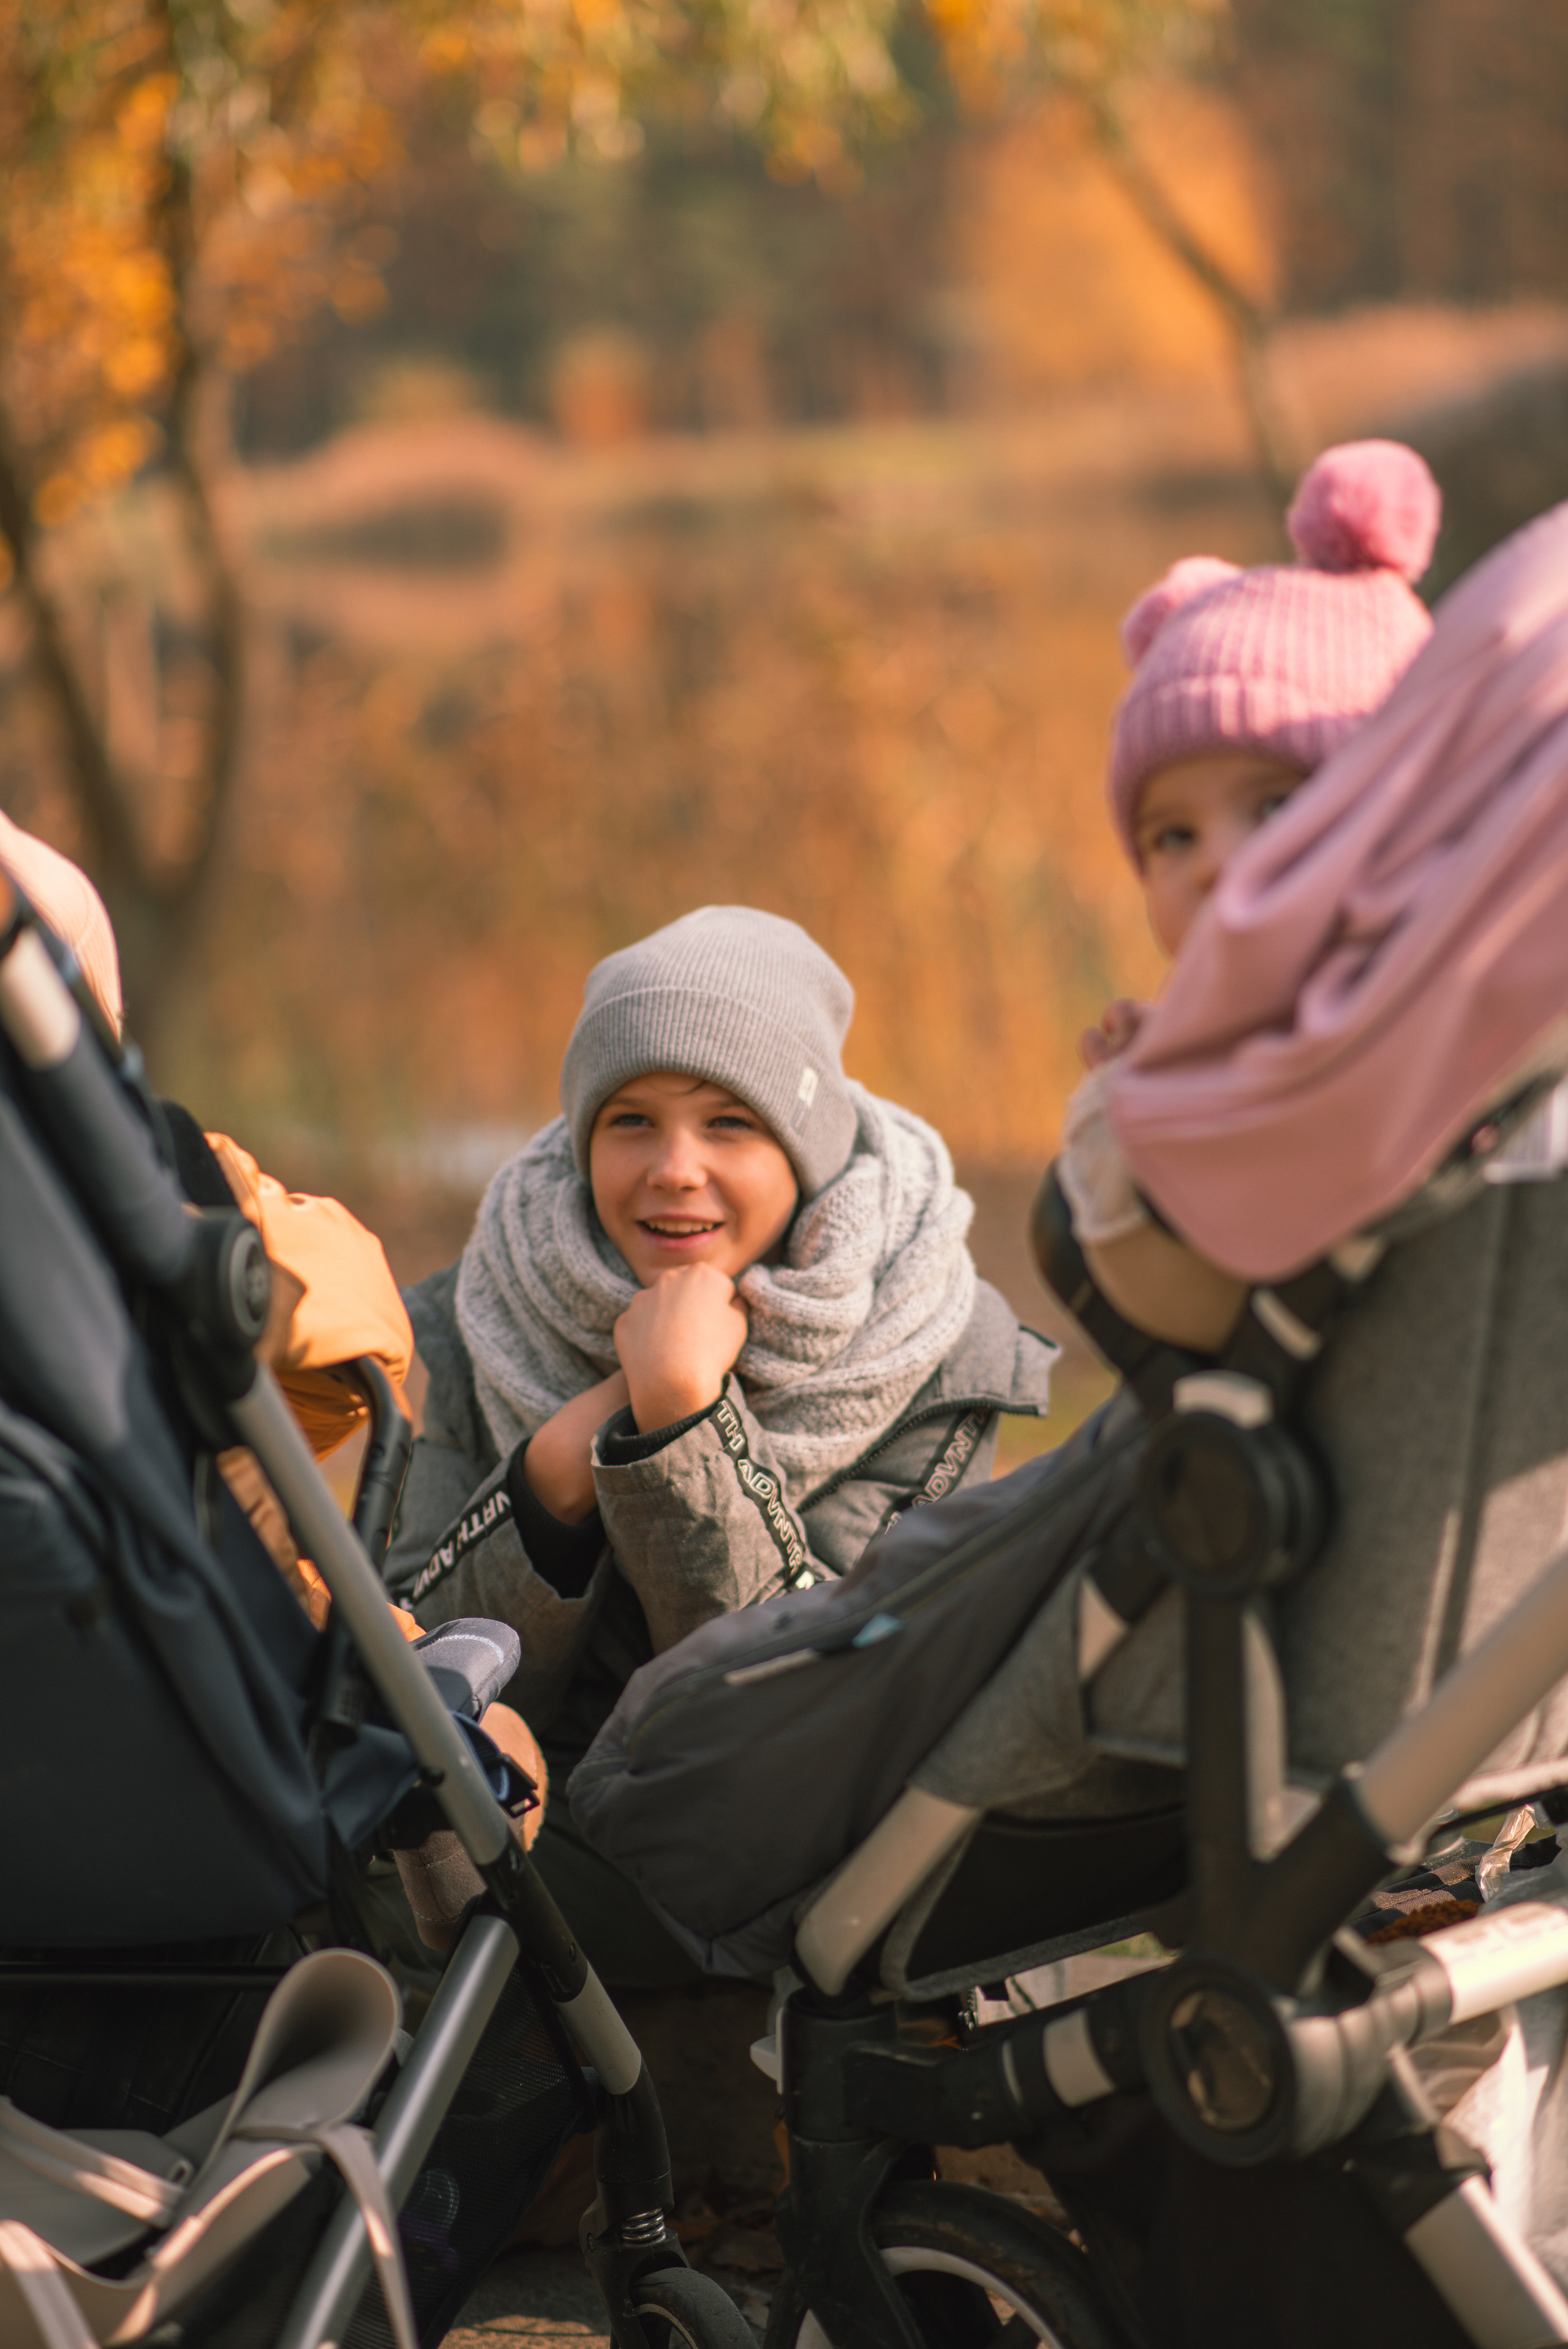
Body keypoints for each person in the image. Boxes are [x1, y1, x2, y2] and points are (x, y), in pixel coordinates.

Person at [386, 904, 1060, 1980]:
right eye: (631, 1121)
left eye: (730, 1123)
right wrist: (555, 1480)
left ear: (806, 1148)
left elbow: (811, 1722)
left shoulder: (928, 1345)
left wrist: (683, 1423)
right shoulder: (484, 1314)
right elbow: (412, 1670)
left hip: (799, 1884)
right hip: (525, 1847)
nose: (674, 1168)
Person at [1057, 437, 1442, 1349]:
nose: (1216, 865)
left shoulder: (1391, 1054)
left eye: (1274, 806)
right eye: (1173, 836)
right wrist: (1183, 1063)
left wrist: (1123, 1117)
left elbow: (1179, 1299)